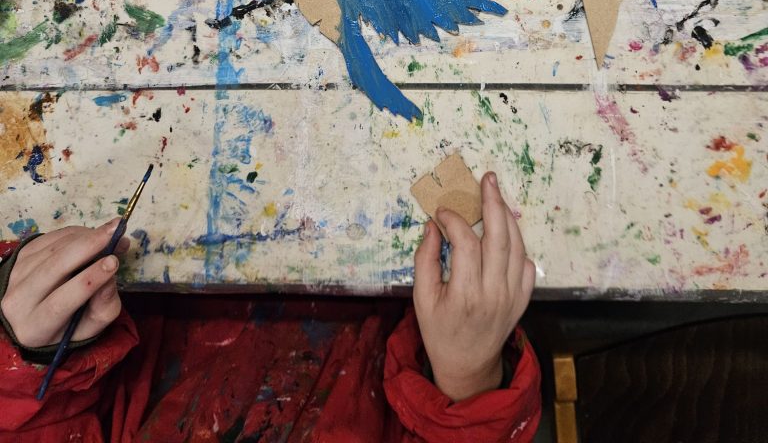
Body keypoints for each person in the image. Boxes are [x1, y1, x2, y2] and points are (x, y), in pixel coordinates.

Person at [0, 172, 541, 442]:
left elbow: (31, 421)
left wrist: (25, 353)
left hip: (146, 305)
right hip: (396, 312)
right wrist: (467, 375)